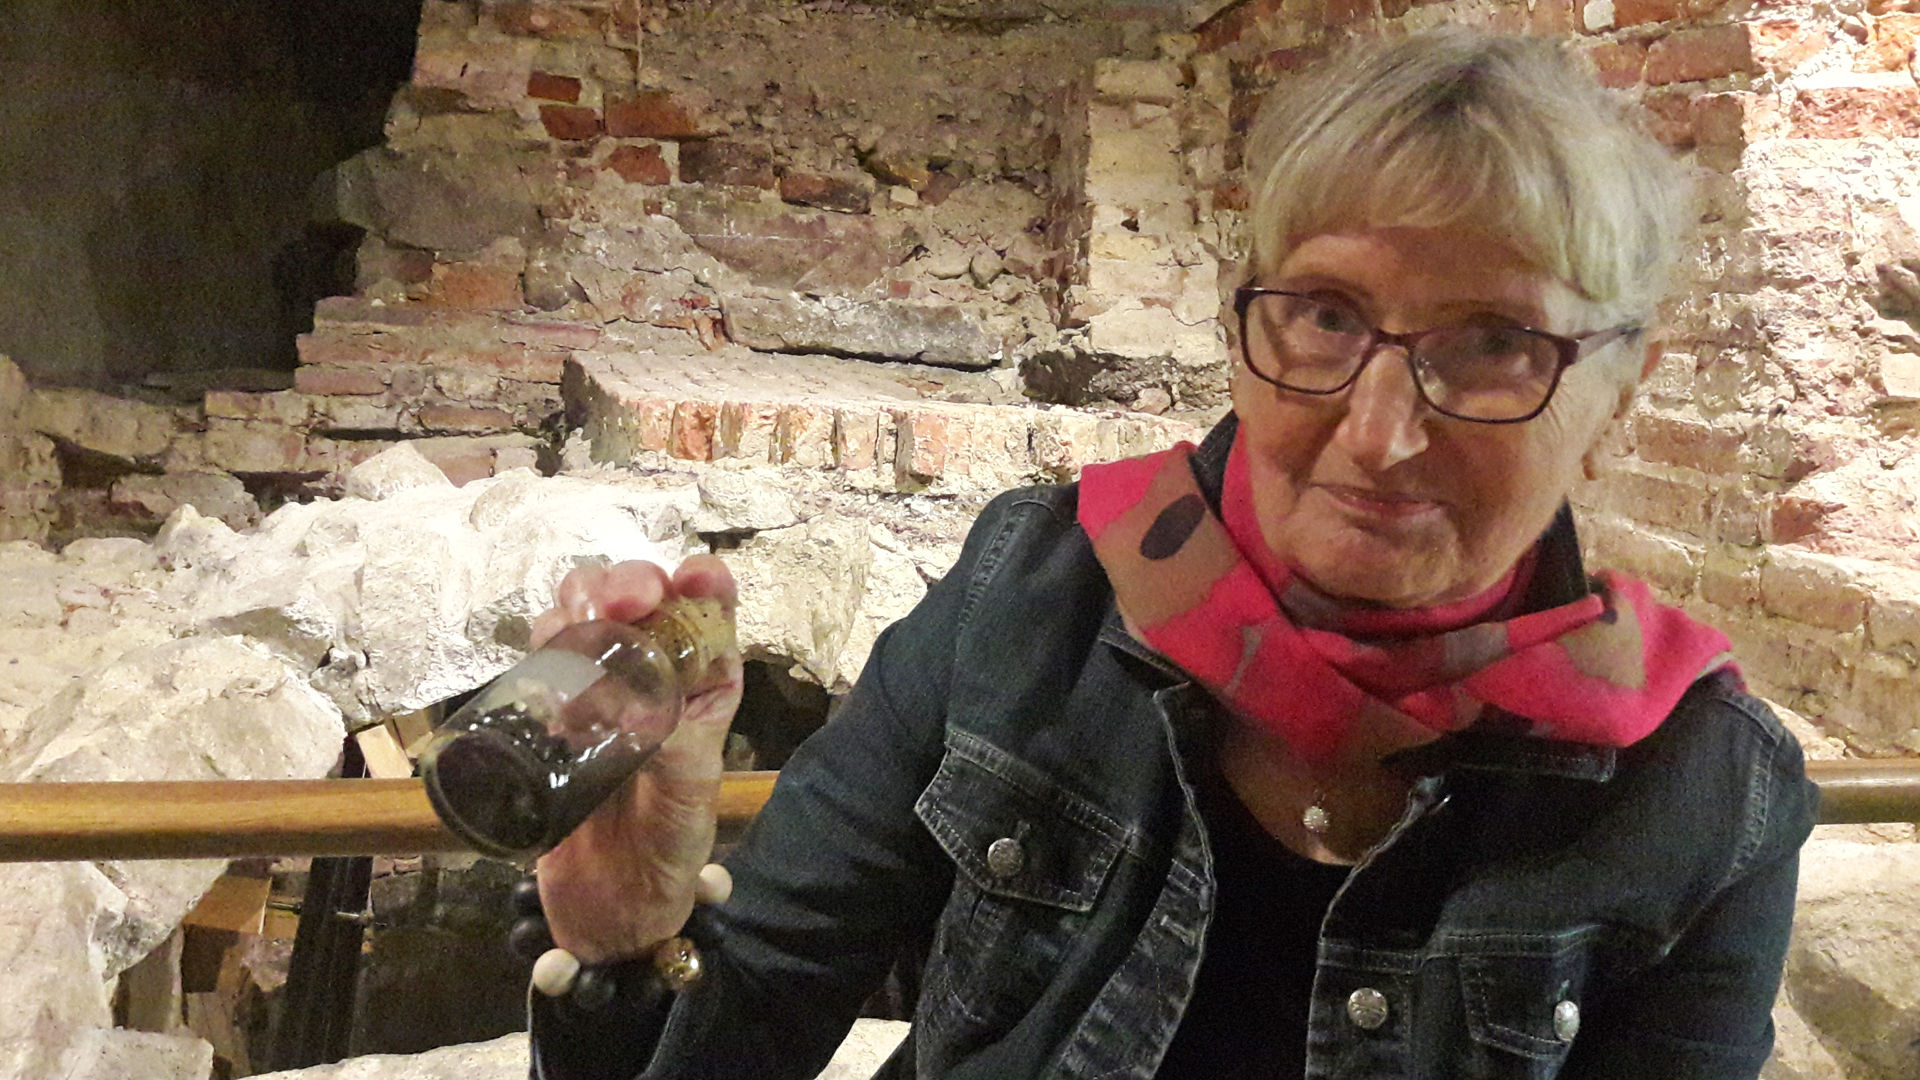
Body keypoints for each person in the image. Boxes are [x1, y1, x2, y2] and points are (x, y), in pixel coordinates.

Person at [518, 29, 1818, 1080]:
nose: (1379, 435)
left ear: (1616, 402)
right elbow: (749, 1019)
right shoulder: (1034, 595)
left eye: (1495, 344)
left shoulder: (1699, 792)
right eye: (1327, 315)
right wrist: (627, 954)